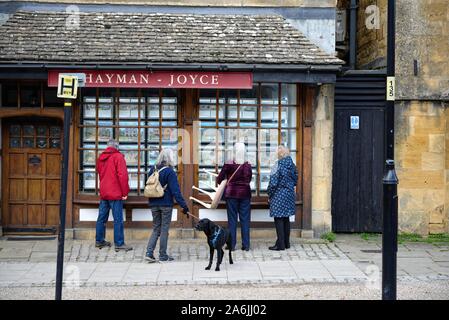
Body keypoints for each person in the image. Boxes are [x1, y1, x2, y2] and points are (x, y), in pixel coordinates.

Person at [145, 148, 190, 262]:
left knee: (156, 228)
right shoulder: (170, 172)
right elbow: (176, 192)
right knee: (164, 229)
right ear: (170, 158)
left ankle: (149, 253)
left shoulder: (152, 169)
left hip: (153, 202)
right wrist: (184, 206)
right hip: (165, 204)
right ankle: (163, 255)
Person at [95, 139, 132, 252]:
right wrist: (125, 192)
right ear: (117, 147)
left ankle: (99, 240)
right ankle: (119, 243)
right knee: (118, 219)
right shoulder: (118, 157)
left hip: (104, 192)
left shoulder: (101, 157)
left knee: (102, 218)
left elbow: (99, 172)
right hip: (115, 193)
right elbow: (123, 176)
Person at [217, 142, 252, 251]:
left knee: (232, 220)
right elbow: (249, 179)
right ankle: (246, 245)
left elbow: (219, 178)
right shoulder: (248, 165)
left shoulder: (228, 164)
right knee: (245, 220)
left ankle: (231, 245)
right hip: (245, 194)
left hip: (231, 194)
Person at [267, 146, 298, 251]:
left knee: (279, 219)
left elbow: (273, 184)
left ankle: (280, 245)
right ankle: (286, 243)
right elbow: (295, 180)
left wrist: (269, 194)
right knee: (286, 219)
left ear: (279, 154)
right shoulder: (292, 165)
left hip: (278, 195)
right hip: (289, 195)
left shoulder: (277, 165)